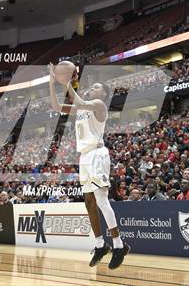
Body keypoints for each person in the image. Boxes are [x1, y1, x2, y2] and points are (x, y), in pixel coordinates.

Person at [49, 61, 129, 269]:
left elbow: (78, 100)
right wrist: (52, 82)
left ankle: (119, 245)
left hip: (97, 154)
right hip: (84, 157)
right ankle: (100, 244)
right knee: (89, 202)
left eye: (96, 87)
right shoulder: (82, 108)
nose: (92, 88)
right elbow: (57, 106)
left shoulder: (98, 105)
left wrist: (67, 83)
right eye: (92, 87)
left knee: (102, 201)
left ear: (103, 94)